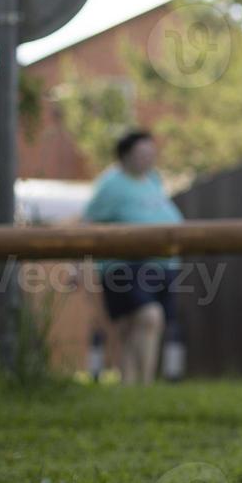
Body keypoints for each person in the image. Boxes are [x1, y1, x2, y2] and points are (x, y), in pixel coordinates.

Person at [83, 130, 182, 384]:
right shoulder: (111, 184)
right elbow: (88, 223)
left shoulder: (153, 180)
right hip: (125, 266)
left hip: (161, 265)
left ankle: (128, 387)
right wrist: (78, 265)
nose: (149, 158)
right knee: (150, 317)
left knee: (131, 328)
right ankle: (145, 386)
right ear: (125, 156)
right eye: (142, 153)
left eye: (152, 153)